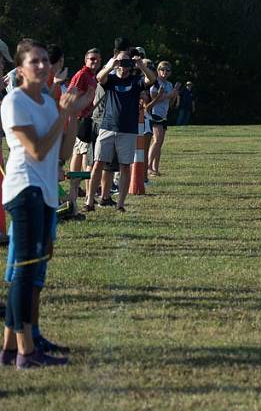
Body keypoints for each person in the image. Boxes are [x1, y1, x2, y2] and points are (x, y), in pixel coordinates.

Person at [1, 39, 88, 369]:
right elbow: (36, 151)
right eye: (33, 62)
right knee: (23, 271)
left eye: (44, 61)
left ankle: (9, 349)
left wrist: (72, 117)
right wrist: (62, 114)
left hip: (47, 193)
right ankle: (26, 353)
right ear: (21, 69)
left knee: (35, 268)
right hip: (25, 191)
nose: (41, 66)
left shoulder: (49, 105)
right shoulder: (14, 102)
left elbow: (62, 154)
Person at [83, 49, 156, 213]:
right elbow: (99, 78)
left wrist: (140, 65)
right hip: (107, 127)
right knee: (98, 163)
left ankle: (120, 204)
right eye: (121, 62)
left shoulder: (136, 80)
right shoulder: (112, 79)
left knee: (124, 166)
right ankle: (89, 201)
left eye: (126, 62)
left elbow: (152, 79)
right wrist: (111, 65)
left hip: (128, 130)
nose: (123, 66)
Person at [67, 48, 101, 216]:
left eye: (97, 60)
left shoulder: (93, 76)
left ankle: (85, 194)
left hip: (87, 119)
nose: (94, 62)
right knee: (82, 156)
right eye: (92, 59)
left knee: (87, 157)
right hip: (79, 120)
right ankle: (78, 191)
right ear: (85, 59)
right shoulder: (82, 75)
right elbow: (71, 96)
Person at [147, 61, 178, 175]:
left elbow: (170, 104)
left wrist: (174, 95)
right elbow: (153, 98)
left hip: (163, 115)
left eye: (167, 70)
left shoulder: (169, 84)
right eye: (162, 69)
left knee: (160, 142)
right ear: (158, 70)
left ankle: (155, 168)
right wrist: (168, 95)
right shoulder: (155, 82)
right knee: (156, 140)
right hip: (154, 113)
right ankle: (148, 166)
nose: (164, 72)